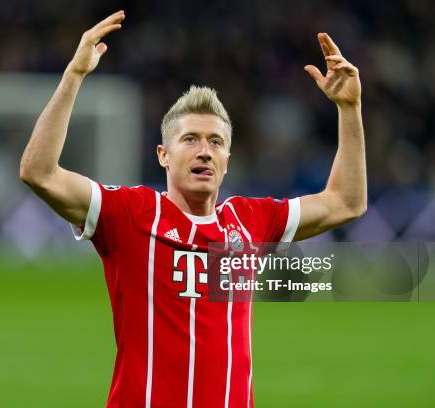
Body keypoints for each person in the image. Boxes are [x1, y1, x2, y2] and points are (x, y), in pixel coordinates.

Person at [20, 10, 366, 408]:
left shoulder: (251, 221)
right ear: (164, 155)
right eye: (191, 139)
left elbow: (347, 202)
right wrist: (74, 75)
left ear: (228, 160)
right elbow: (39, 172)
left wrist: (349, 108)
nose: (205, 150)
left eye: (216, 142)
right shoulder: (130, 213)